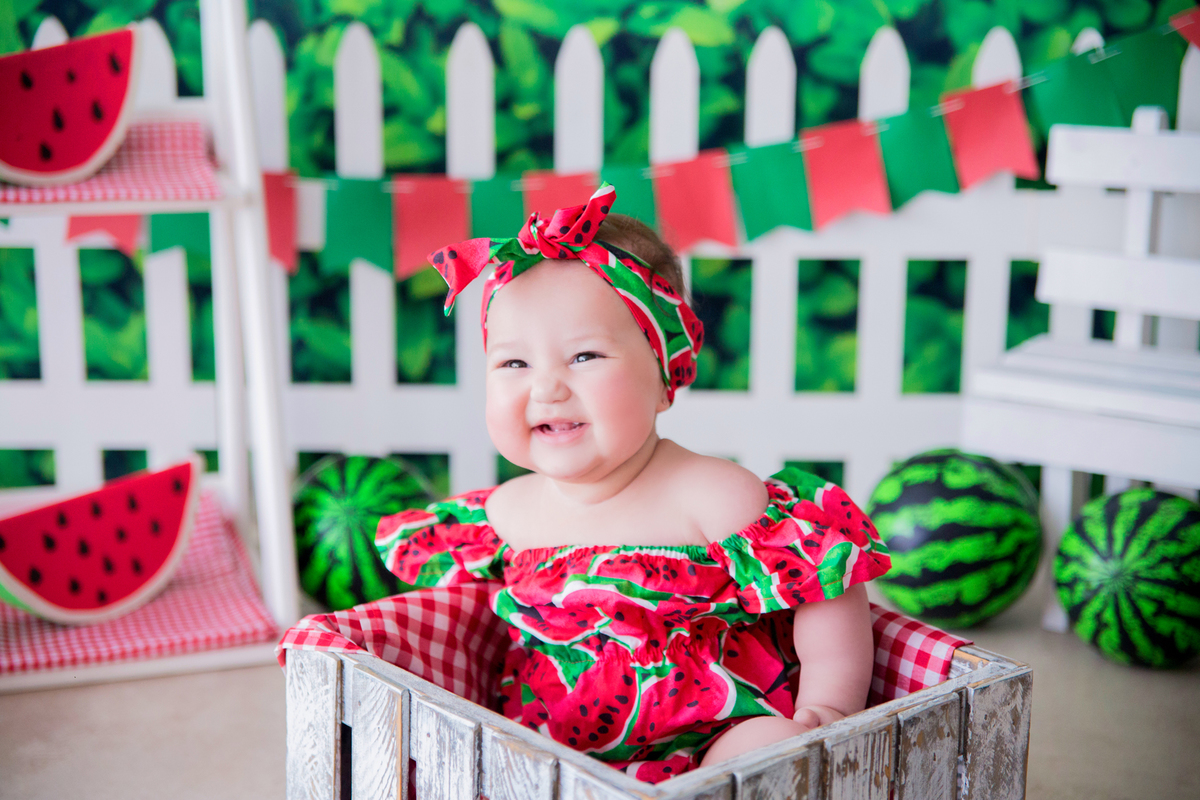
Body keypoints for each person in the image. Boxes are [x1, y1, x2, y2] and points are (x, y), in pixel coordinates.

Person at [376, 183, 891, 783]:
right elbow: (439, 619)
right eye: (514, 363)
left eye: (585, 357)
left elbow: (826, 584)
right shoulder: (505, 515)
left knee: (773, 748)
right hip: (547, 761)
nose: (546, 387)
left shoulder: (714, 496)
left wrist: (829, 702)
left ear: (663, 376)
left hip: (714, 745)